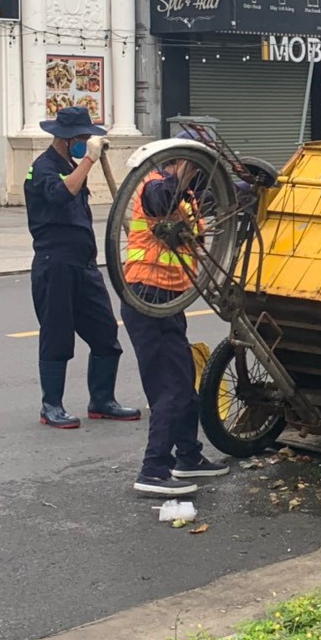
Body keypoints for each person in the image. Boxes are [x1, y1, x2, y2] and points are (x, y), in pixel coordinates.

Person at [121, 132, 228, 496]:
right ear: (180, 160)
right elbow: (161, 202)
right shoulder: (154, 186)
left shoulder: (189, 196)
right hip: (147, 300)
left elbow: (222, 201)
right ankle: (153, 470)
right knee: (168, 388)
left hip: (170, 302)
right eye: (194, 165)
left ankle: (188, 457)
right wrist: (182, 172)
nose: (198, 175)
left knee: (184, 382)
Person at [25, 106, 140, 429]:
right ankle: (52, 406)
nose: (87, 141)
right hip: (55, 264)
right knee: (57, 335)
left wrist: (86, 161)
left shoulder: (70, 165)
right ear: (66, 139)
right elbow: (62, 193)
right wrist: (89, 160)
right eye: (83, 138)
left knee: (106, 333)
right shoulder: (43, 168)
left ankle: (102, 400)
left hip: (84, 264)